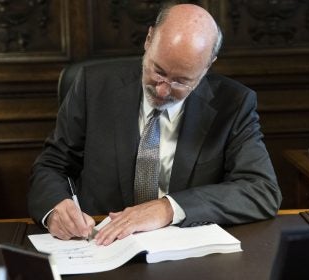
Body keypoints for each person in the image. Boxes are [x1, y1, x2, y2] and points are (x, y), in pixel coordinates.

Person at [28, 3, 282, 246]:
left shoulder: (234, 104)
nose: (162, 91)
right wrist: (54, 208)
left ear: (208, 65)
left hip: (184, 250)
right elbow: (52, 165)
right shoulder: (93, 86)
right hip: (100, 242)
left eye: (181, 81)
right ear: (149, 40)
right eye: (158, 71)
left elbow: (262, 190)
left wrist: (168, 207)